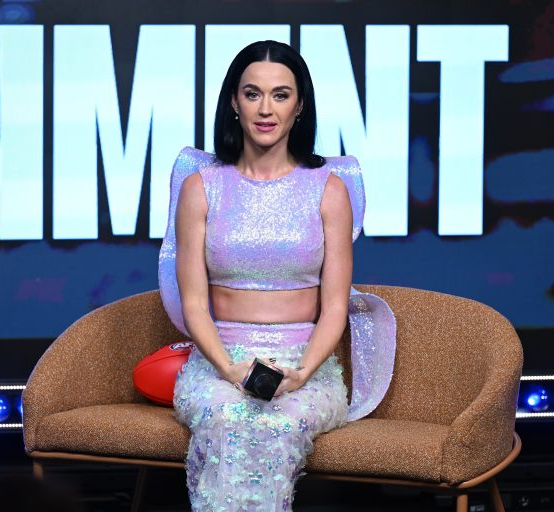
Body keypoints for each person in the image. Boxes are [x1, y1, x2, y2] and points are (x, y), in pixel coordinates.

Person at [157, 40, 397, 511]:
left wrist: (301, 373)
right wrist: (229, 368)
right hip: (217, 365)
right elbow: (193, 304)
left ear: (299, 106)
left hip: (306, 368)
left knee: (277, 424)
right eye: (253, 94)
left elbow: (334, 308)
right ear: (234, 101)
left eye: (281, 95)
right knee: (227, 418)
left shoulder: (329, 191)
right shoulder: (200, 188)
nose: (266, 109)